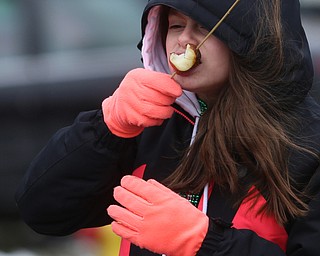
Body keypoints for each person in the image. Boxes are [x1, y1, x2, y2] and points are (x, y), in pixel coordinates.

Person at [15, 0, 320, 255]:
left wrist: (204, 243)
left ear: (251, 37)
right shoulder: (150, 119)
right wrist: (107, 128)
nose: (184, 40)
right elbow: (44, 212)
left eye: (202, 26)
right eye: (175, 26)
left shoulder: (306, 143)